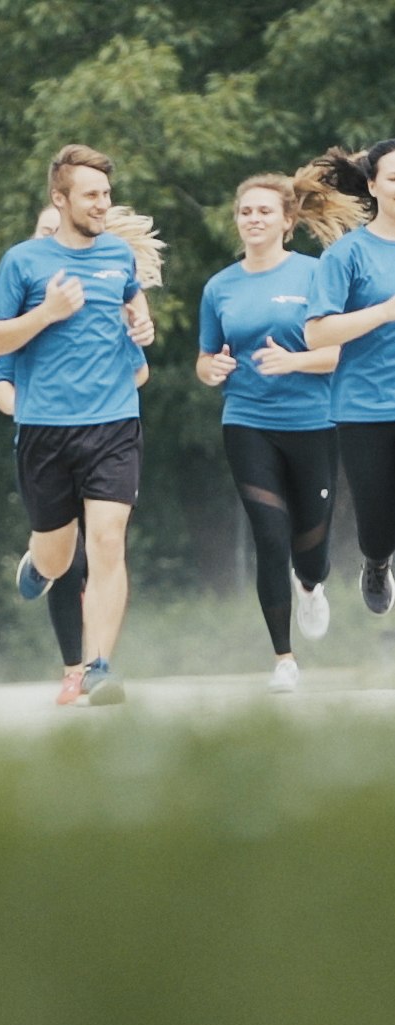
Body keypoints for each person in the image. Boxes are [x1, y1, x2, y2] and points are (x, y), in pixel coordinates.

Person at [0, 145, 155, 705]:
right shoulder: (23, 263)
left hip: (113, 423)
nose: (103, 204)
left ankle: (100, 665)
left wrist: (141, 323)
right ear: (60, 200)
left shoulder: (120, 257)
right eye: (91, 195)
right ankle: (38, 559)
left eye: (106, 194)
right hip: (45, 431)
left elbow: (131, 306)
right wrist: (46, 313)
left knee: (107, 542)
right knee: (59, 558)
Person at [196, 171, 361, 692]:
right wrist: (212, 370)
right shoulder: (219, 286)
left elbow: (338, 353)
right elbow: (205, 359)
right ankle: (284, 659)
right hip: (247, 422)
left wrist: (293, 363)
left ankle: (310, 584)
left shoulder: (316, 276)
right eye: (245, 211)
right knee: (269, 534)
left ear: (288, 221)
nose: (253, 219)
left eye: (265, 211)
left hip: (314, 422)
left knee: (309, 550)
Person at [303, 140, 395, 617]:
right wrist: (385, 311)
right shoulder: (348, 255)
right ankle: (377, 561)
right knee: (379, 522)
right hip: (367, 406)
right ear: (374, 185)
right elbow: (317, 334)